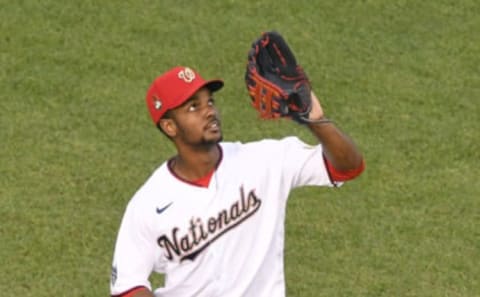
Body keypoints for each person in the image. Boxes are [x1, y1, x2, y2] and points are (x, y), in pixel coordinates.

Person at [110, 66, 365, 297]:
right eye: (193, 107)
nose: (209, 110)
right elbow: (128, 286)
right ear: (169, 127)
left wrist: (315, 119)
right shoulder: (149, 203)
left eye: (209, 101)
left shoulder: (264, 161)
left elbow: (347, 167)